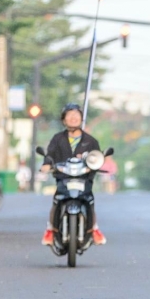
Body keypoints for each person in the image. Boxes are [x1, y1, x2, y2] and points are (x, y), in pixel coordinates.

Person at [40, 103, 106, 246]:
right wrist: (47, 164)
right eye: (69, 115)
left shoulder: (91, 141)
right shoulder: (57, 139)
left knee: (89, 200)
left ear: (82, 119)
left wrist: (95, 165)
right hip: (64, 178)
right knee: (57, 200)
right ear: (64, 120)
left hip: (84, 179)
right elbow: (50, 155)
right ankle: (50, 230)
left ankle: (94, 228)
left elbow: (97, 156)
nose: (73, 118)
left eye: (76, 115)